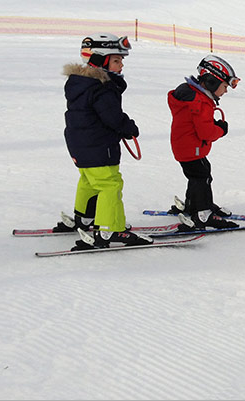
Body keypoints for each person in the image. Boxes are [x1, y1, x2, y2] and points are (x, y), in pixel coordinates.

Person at [58, 33, 152, 249]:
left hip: (79, 144)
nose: (120, 66)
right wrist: (128, 127)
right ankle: (109, 229)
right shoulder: (103, 86)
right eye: (116, 60)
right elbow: (112, 117)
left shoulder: (80, 83)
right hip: (98, 144)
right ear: (100, 60)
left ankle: (85, 218)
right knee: (110, 184)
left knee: (90, 181)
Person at [166, 55, 241, 231]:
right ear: (212, 81)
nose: (226, 91)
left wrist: (212, 124)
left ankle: (196, 205)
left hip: (185, 147)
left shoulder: (195, 98)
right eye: (224, 86)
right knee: (202, 177)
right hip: (193, 148)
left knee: (198, 176)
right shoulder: (200, 102)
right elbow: (205, 132)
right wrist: (220, 129)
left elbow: (197, 124)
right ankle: (202, 213)